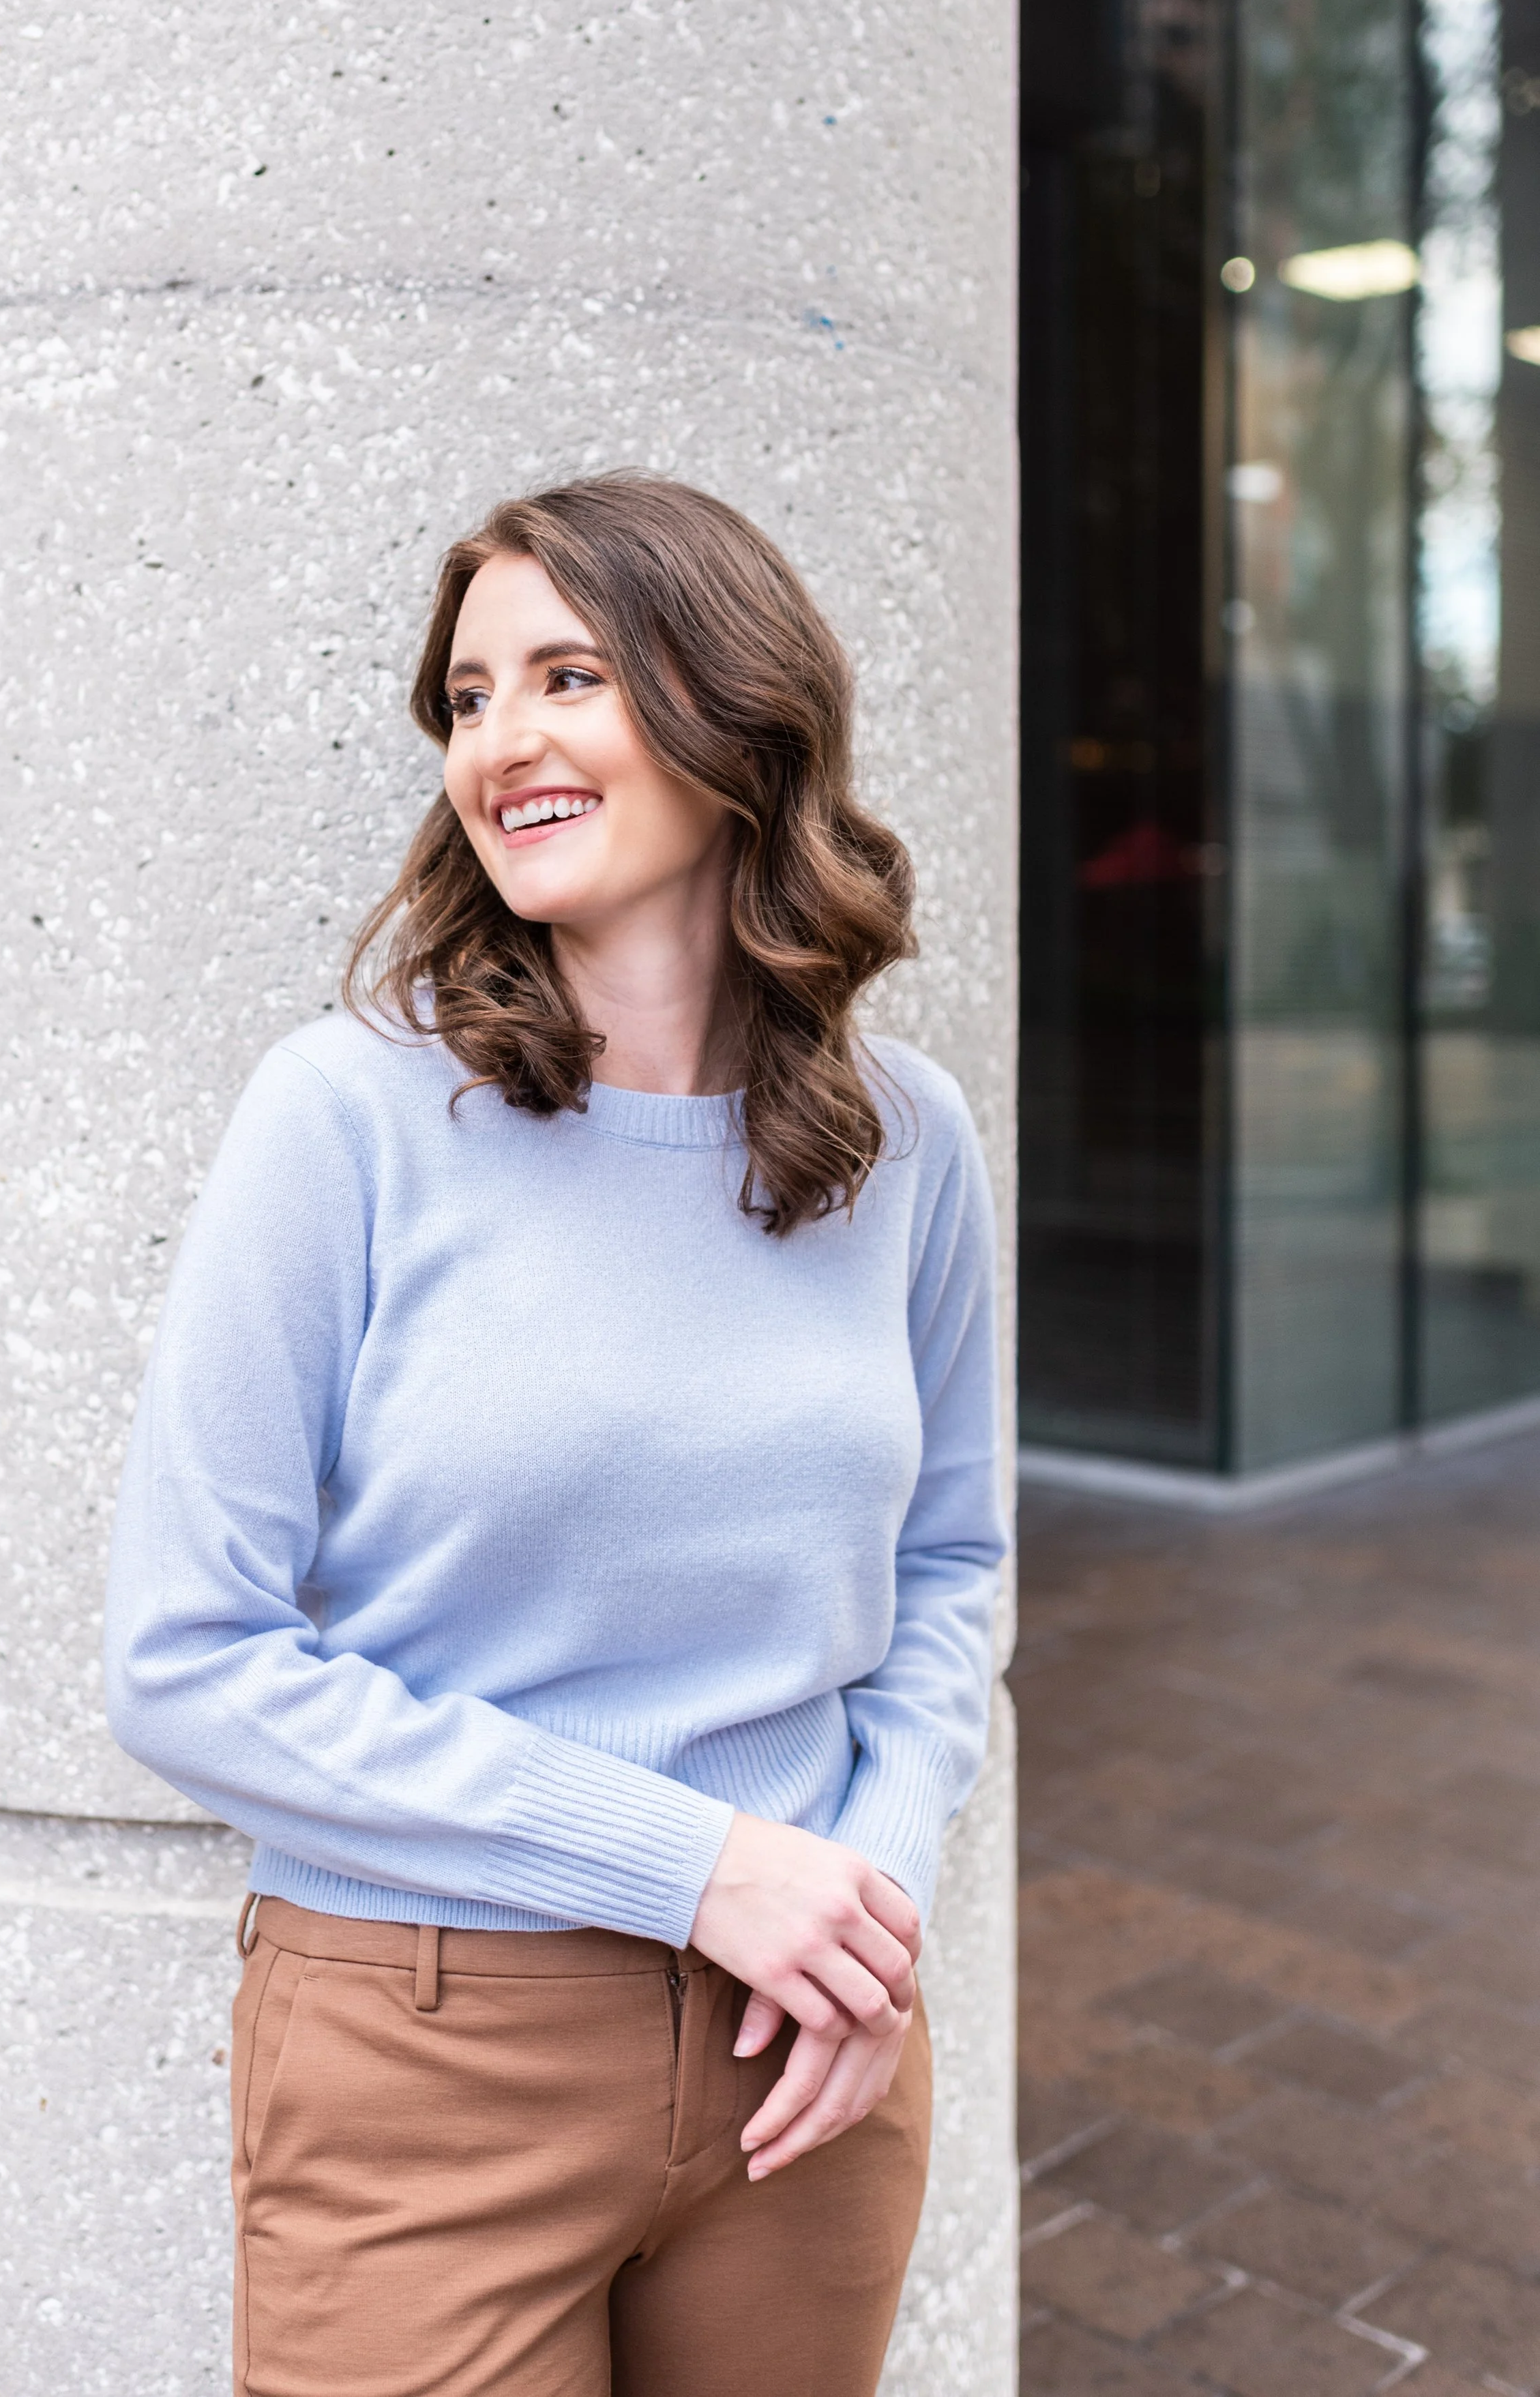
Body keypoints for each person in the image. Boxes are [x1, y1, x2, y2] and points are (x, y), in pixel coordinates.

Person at [105, 471, 1007, 2397]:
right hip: (434, 2052)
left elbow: (948, 1573)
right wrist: (696, 1867)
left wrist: (875, 1897)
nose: (498, 741)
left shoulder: (908, 1141)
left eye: (565, 677)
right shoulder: (345, 1116)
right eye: (464, 697)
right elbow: (188, 1663)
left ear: (731, 708)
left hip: (803, 2053)